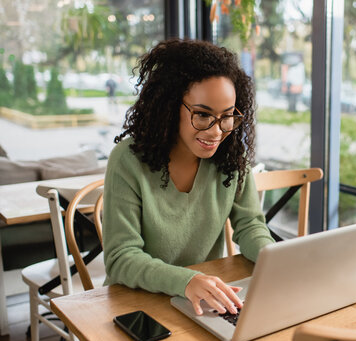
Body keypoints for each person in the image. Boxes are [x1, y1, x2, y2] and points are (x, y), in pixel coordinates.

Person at [102, 39, 275, 316]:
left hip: (202, 302)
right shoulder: (128, 160)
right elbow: (121, 258)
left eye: (228, 116)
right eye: (203, 115)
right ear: (170, 107)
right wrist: (187, 281)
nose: (217, 132)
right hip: (137, 303)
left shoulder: (230, 158)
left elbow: (250, 226)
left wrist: (274, 259)